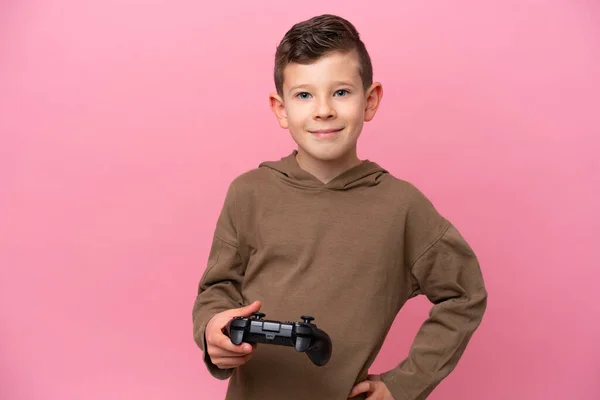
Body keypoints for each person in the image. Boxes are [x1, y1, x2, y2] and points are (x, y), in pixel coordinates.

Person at [192, 14, 488, 400]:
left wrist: (403, 385)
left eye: (341, 92)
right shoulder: (248, 193)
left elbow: (464, 294)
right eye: (304, 95)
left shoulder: (402, 207)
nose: (323, 110)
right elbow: (217, 289)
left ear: (370, 100)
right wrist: (213, 329)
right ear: (280, 109)